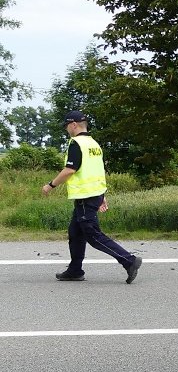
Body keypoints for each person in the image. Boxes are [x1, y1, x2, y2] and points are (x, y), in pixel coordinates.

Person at [41, 111, 143, 283]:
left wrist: (50, 185)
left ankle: (129, 260)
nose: (66, 130)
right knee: (75, 232)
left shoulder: (76, 143)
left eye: (66, 126)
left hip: (85, 198)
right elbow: (98, 172)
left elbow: (70, 170)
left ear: (73, 124)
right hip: (94, 194)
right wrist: (102, 195)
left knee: (93, 235)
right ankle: (75, 270)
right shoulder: (93, 144)